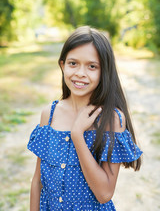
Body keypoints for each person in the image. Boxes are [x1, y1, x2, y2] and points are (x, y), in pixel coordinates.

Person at [27, 26, 143, 211]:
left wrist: (77, 135)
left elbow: (104, 194)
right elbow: (37, 181)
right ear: (62, 65)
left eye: (92, 66)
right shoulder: (49, 115)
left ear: (104, 71)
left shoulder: (111, 119)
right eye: (73, 63)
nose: (80, 73)